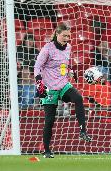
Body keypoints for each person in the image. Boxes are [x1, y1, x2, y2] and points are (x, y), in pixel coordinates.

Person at [34, 23, 91, 158]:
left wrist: (70, 70)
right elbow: (37, 67)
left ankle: (83, 131)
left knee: (78, 98)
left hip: (63, 84)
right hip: (49, 88)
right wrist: (39, 84)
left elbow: (63, 64)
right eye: (64, 35)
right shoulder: (47, 49)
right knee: (49, 120)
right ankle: (47, 150)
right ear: (57, 34)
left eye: (68, 36)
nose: (66, 38)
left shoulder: (69, 47)